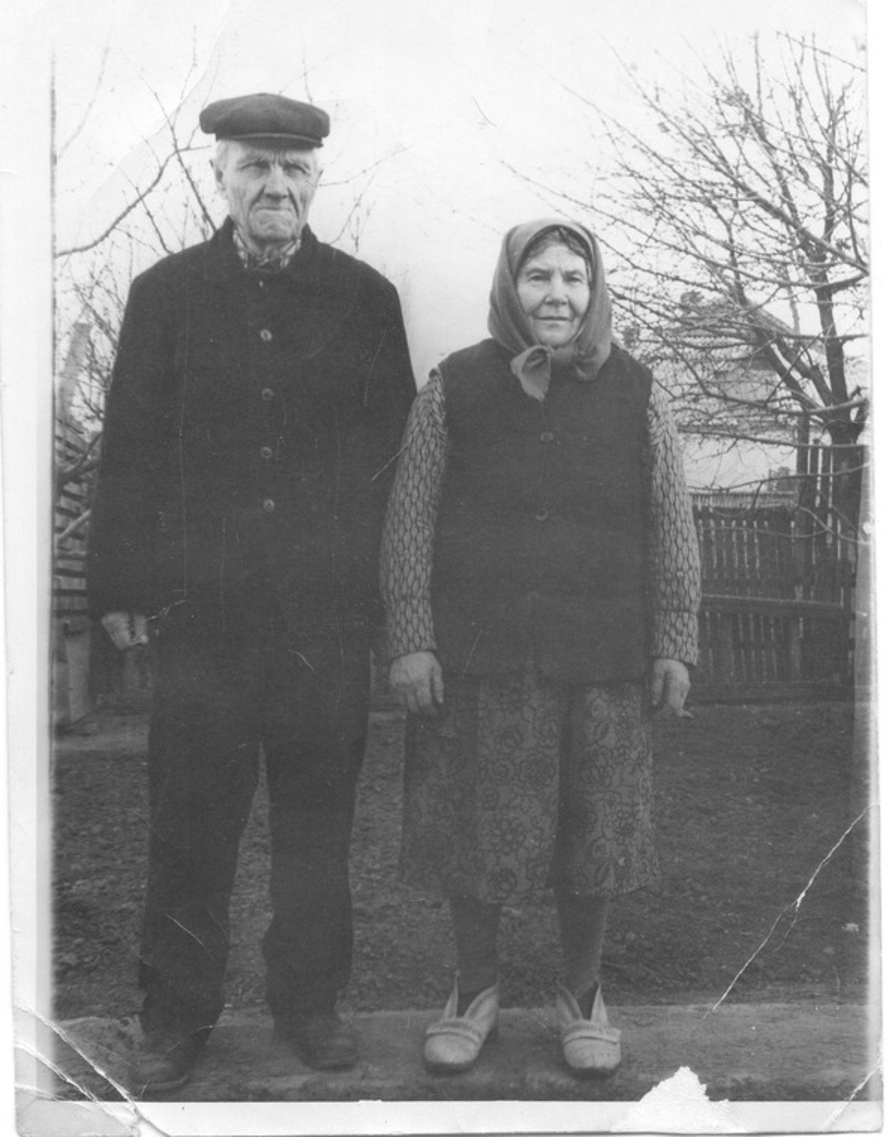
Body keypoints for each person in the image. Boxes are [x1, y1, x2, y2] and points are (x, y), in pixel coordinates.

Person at [87, 92, 416, 1095]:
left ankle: (309, 1006)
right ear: (220, 177)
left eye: (293, 168)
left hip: (323, 623)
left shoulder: (363, 298)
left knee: (317, 829)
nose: (275, 185)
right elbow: (130, 447)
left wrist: (385, 605)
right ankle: (174, 1018)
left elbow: (393, 462)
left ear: (317, 179)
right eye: (254, 167)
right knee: (190, 826)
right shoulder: (166, 294)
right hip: (204, 622)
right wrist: (121, 581)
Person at [381, 218, 700, 1076]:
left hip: (604, 657)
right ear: (508, 287)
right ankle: (472, 990)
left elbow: (671, 521)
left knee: (595, 833)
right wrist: (411, 638)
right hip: (482, 656)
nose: (556, 294)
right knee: (476, 831)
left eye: (572, 278)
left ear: (593, 291)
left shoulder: (638, 391)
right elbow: (409, 518)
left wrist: (674, 639)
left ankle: (581, 995)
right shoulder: (453, 386)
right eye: (537, 277)